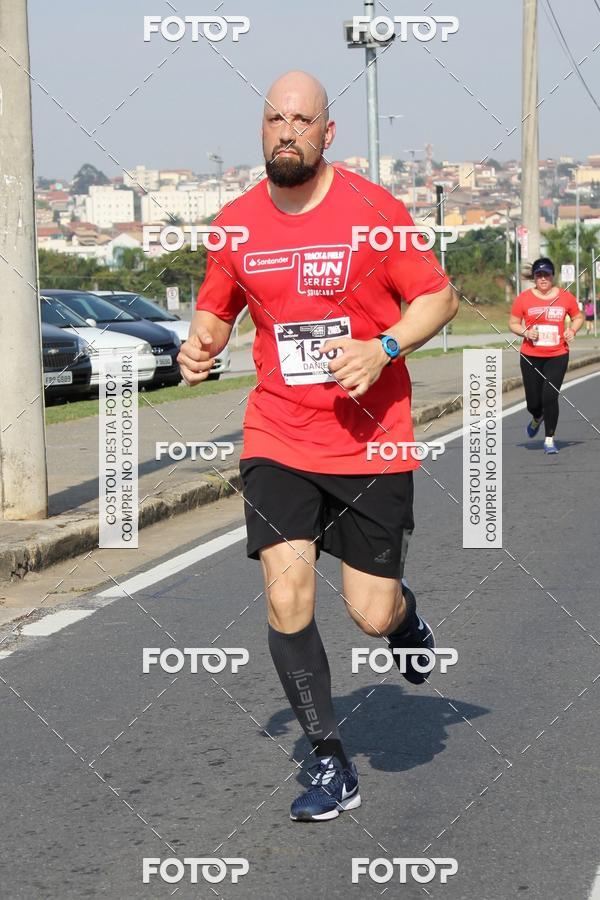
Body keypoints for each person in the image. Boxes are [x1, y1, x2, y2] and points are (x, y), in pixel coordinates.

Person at [178, 70, 458, 822]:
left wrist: (387, 347)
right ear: (262, 130)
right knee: (286, 592)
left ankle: (403, 621)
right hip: (279, 434)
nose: (287, 130)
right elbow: (215, 310)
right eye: (275, 118)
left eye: (302, 119)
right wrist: (201, 343)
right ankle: (331, 762)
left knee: (369, 612)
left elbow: (439, 294)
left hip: (369, 441)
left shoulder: (372, 209)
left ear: (327, 134)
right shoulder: (236, 223)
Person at [509, 257, 584, 454]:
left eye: (546, 274)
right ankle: (537, 417)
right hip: (530, 355)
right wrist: (525, 332)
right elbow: (513, 323)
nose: (543, 278)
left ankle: (549, 438)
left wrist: (572, 331)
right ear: (534, 277)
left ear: (553, 276)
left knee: (550, 396)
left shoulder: (565, 297)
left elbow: (578, 317)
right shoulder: (523, 298)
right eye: (539, 275)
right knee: (533, 403)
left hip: (557, 354)